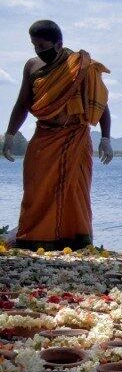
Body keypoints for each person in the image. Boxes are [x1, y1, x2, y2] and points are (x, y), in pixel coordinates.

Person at [2, 20, 113, 250]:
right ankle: (34, 237)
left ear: (58, 43)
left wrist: (105, 138)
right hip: (44, 136)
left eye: (42, 46)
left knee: (74, 190)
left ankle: (73, 239)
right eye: (34, 46)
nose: (38, 51)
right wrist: (10, 135)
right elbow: (23, 103)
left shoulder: (81, 66)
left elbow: (100, 103)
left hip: (76, 136)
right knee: (36, 187)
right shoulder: (32, 66)